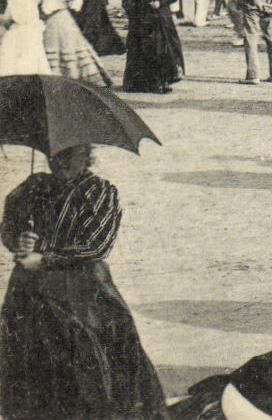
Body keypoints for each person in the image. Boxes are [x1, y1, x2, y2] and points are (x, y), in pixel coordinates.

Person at [0, 144, 167, 420]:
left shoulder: (99, 191)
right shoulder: (34, 186)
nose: (60, 162)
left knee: (87, 364)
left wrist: (45, 256)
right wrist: (19, 240)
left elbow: (96, 245)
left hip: (82, 291)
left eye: (69, 155)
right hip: (30, 290)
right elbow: (9, 224)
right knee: (31, 366)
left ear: (86, 156)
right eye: (55, 156)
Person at [122, 0, 184, 93]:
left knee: (161, 48)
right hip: (143, 17)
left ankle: (161, 80)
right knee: (142, 48)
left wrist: (161, 0)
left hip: (160, 18)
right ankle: (140, 82)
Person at [0, 0, 49, 76]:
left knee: (13, 59)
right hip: (33, 31)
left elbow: (6, 18)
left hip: (19, 32)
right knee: (33, 58)